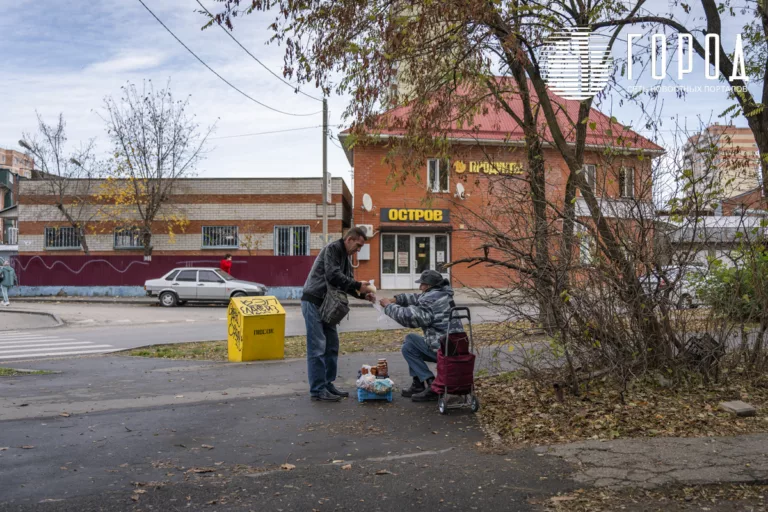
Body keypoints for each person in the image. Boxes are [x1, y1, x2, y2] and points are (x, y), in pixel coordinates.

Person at [301, 227, 375, 402]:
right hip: (313, 301)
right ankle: (317, 390)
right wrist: (358, 284)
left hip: (328, 305)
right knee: (318, 347)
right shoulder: (333, 249)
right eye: (357, 245)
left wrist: (365, 295)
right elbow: (333, 276)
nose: (358, 250)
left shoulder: (346, 259)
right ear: (349, 239)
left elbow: (346, 285)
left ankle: (327, 384)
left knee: (331, 345)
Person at [377, 269, 463, 402]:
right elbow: (416, 298)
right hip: (452, 346)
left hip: (443, 349)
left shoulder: (431, 299)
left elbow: (409, 318)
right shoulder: (441, 294)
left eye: (421, 284)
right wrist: (396, 299)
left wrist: (388, 307)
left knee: (410, 344)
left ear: (428, 286)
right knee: (410, 342)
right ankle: (419, 384)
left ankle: (431, 386)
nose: (419, 287)